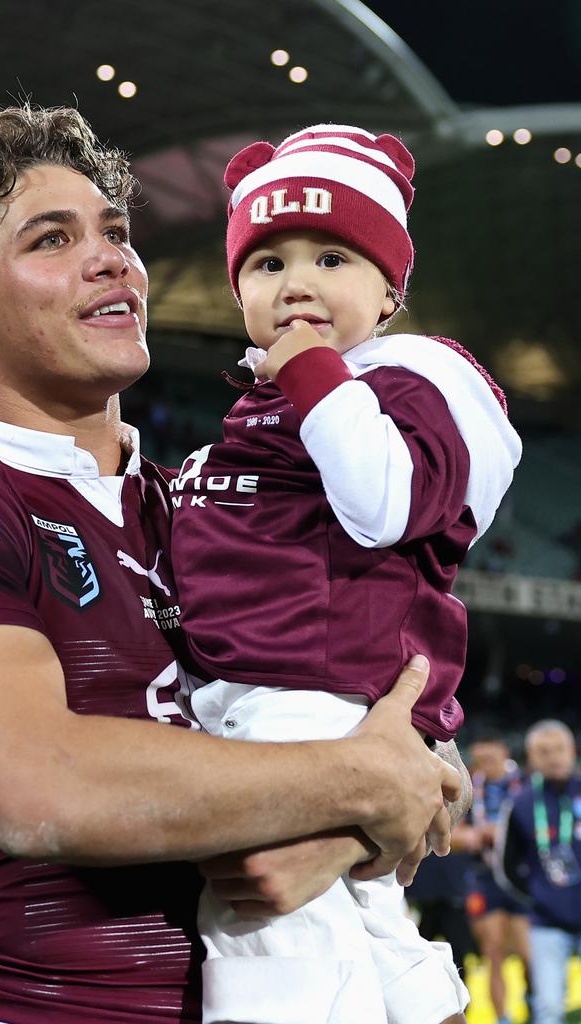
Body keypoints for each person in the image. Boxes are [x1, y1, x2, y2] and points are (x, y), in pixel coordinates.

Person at [0, 105, 464, 1024]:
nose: (111, 260)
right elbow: (39, 782)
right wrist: (359, 785)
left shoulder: (218, 505)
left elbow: (416, 743)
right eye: (53, 239)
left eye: (117, 233)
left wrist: (403, 776)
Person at [169, 123, 522, 1024]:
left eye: (332, 257)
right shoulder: (260, 411)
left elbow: (386, 504)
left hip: (307, 694)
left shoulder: (401, 378)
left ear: (392, 290)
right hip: (271, 692)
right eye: (266, 263)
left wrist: (318, 376)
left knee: (264, 925)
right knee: (369, 929)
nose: (295, 285)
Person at [498, 720, 581, 1024]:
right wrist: (538, 896)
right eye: (544, 752)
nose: (554, 757)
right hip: (546, 922)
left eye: (560, 749)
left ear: (572, 750)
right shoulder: (520, 803)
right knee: (548, 1007)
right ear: (532, 758)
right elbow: (506, 867)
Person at [454, 732, 529, 1024]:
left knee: (527, 953)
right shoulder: (469, 787)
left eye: (490, 754)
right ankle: (502, 1018)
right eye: (480, 755)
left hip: (521, 878)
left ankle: (533, 1000)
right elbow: (451, 833)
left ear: (503, 750)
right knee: (492, 950)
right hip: (483, 877)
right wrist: (469, 835)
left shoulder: (524, 785)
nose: (485, 759)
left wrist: (502, 834)